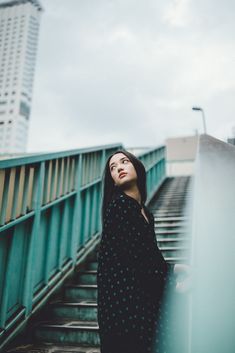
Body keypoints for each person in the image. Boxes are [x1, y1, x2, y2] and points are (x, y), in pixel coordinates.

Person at [97, 149, 189, 353]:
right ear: (112, 180)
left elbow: (151, 257)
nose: (119, 167)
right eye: (113, 167)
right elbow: (137, 261)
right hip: (124, 306)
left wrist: (176, 268)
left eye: (124, 162)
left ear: (137, 167)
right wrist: (172, 283)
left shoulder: (145, 213)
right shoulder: (120, 207)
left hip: (139, 300)